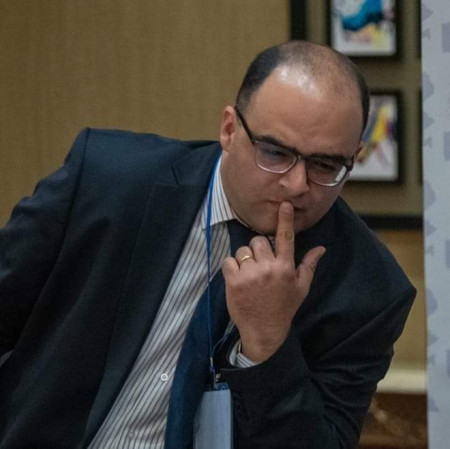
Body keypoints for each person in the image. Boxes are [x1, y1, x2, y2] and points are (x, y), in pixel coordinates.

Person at [0, 40, 415, 449]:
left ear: (353, 159)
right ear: (230, 130)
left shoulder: (369, 291)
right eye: (274, 153)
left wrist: (268, 343)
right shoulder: (107, 180)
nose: (296, 184)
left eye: (325, 165)